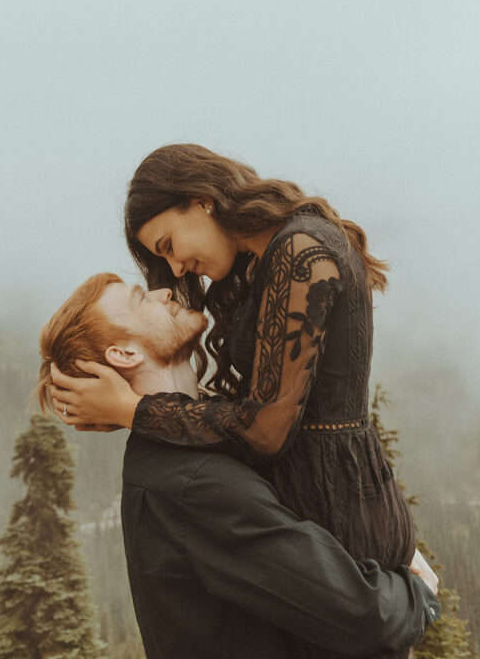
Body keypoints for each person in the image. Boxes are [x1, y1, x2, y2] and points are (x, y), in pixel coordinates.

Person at [50, 144, 420, 572]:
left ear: (202, 200)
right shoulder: (264, 258)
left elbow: (265, 430)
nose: (176, 266)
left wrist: (134, 410)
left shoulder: (300, 249)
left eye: (168, 244)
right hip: (327, 511)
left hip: (343, 523)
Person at [38, 273, 440, 659]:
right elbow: (362, 616)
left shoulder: (182, 450)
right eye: (141, 298)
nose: (163, 292)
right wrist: (418, 593)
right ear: (124, 354)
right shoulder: (191, 484)